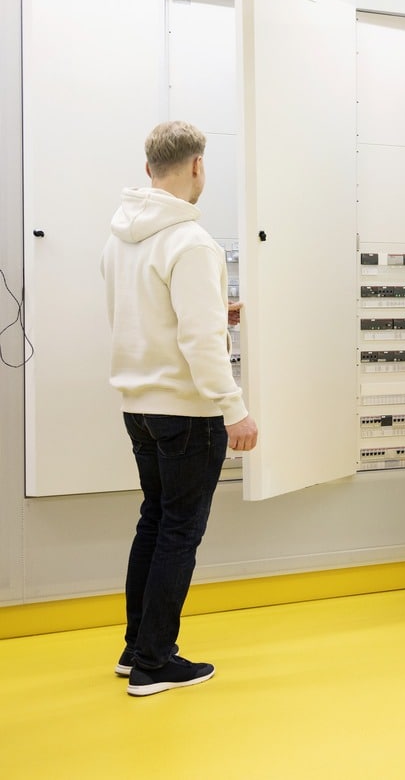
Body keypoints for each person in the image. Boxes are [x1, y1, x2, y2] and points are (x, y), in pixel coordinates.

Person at [101, 120, 259, 695]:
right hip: (187, 411)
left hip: (138, 406)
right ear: (197, 166)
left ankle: (135, 647)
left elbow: (147, 316)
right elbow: (196, 343)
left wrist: (216, 313)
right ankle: (155, 663)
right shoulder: (192, 242)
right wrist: (233, 407)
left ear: (149, 170)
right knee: (179, 533)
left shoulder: (120, 238)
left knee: (155, 520)